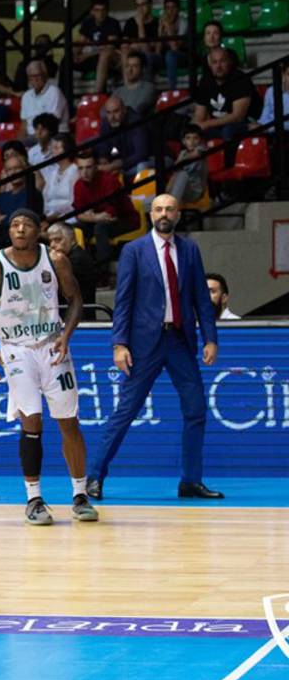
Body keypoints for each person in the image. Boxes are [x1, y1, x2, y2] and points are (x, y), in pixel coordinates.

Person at [87, 194, 222, 501]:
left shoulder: (189, 249)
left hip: (179, 340)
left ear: (178, 214)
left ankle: (190, 481)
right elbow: (123, 301)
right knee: (126, 411)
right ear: (151, 214)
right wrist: (119, 343)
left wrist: (211, 338)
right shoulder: (134, 250)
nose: (164, 213)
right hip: (144, 344)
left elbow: (201, 297)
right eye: (159, 209)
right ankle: (94, 476)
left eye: (170, 209)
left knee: (196, 409)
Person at [0, 208, 98, 525]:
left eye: (27, 224)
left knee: (69, 421)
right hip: (16, 349)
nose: (20, 229)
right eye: (14, 224)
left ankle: (80, 494)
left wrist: (66, 336)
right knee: (32, 423)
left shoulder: (55, 260)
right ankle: (34, 499)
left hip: (52, 344)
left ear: (37, 230)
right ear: (9, 231)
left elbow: (76, 300)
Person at [73, 151, 139, 270]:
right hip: (99, 221)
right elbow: (78, 214)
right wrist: (96, 217)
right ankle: (85, 269)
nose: (84, 172)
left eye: (88, 167)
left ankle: (103, 273)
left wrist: (90, 215)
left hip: (126, 219)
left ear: (96, 167)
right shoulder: (78, 185)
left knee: (100, 228)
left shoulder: (109, 180)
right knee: (77, 228)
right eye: (80, 168)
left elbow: (110, 214)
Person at [94, 96, 152, 182]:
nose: (112, 117)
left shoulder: (136, 121)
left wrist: (119, 164)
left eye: (116, 111)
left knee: (142, 166)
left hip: (155, 158)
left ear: (124, 110)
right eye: (108, 112)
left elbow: (142, 154)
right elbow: (103, 146)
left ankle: (141, 196)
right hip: (128, 163)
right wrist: (103, 158)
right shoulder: (107, 122)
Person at [47, 221, 97, 319]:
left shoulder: (78, 259)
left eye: (57, 240)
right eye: (50, 241)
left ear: (72, 239)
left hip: (79, 319)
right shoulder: (68, 257)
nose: (52, 245)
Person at [19, 61, 70, 137]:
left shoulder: (54, 92)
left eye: (38, 75)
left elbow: (52, 123)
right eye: (31, 76)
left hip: (53, 136)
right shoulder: (26, 96)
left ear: (45, 76)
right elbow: (24, 126)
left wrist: (37, 136)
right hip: (32, 137)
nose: (35, 79)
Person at [38, 133, 78, 220]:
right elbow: (45, 197)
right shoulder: (52, 172)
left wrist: (55, 215)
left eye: (56, 148)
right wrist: (46, 215)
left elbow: (73, 202)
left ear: (67, 150)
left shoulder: (75, 171)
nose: (52, 151)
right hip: (50, 216)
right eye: (52, 148)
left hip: (69, 216)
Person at [168, 124, 208, 204]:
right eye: (188, 138)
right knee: (177, 174)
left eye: (195, 138)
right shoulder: (183, 153)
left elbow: (195, 154)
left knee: (182, 174)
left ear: (200, 140)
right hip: (180, 189)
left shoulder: (201, 149)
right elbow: (175, 168)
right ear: (183, 141)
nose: (192, 141)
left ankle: (171, 208)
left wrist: (182, 159)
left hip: (195, 191)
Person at [113, 51, 157, 117]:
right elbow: (106, 110)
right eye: (127, 66)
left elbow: (136, 109)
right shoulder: (118, 91)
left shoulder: (149, 88)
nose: (129, 69)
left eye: (134, 66)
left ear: (143, 69)